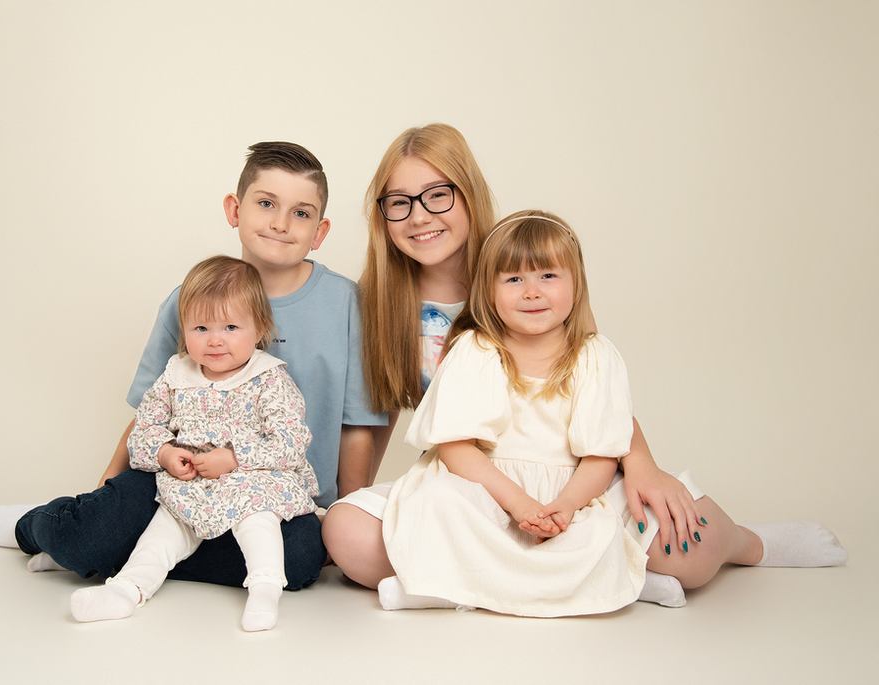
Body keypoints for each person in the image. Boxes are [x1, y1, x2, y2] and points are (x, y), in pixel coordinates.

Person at [321, 123, 848, 608]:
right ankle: (597, 580)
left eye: (438, 195)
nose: (419, 215)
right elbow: (375, 415)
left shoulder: (522, 262)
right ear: (382, 215)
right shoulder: (384, 303)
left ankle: (746, 542)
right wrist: (356, 497)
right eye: (399, 202)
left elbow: (588, 378)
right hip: (473, 481)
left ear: (469, 194)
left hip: (571, 469)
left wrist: (642, 463)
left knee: (694, 542)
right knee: (348, 534)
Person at [0, 142, 386, 594]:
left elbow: (355, 426)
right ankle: (38, 527)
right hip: (177, 487)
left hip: (275, 498)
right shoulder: (188, 300)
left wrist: (344, 516)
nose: (281, 223)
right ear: (234, 209)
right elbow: (148, 412)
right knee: (91, 532)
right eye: (266, 203)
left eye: (301, 213)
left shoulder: (349, 305)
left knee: (301, 561)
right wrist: (103, 501)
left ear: (320, 231)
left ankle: (126, 553)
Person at [380, 210, 645, 615]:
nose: (532, 292)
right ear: (489, 290)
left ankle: (444, 588)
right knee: (437, 499)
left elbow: (600, 456)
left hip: (568, 490)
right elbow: (457, 449)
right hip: (487, 489)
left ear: (577, 285)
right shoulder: (476, 350)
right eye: (514, 279)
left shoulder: (596, 357)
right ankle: (578, 588)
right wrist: (518, 504)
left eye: (548, 276)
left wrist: (567, 505)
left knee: (594, 532)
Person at [71, 255, 318, 631]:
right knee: (164, 530)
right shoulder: (176, 375)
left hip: (254, 480)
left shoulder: (269, 379)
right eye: (200, 327)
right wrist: (166, 453)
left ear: (260, 328)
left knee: (258, 522)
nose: (215, 339)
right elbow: (145, 429)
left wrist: (234, 458)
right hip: (191, 486)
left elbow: (292, 440)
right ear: (183, 330)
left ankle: (265, 589)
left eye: (231, 326)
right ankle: (127, 589)